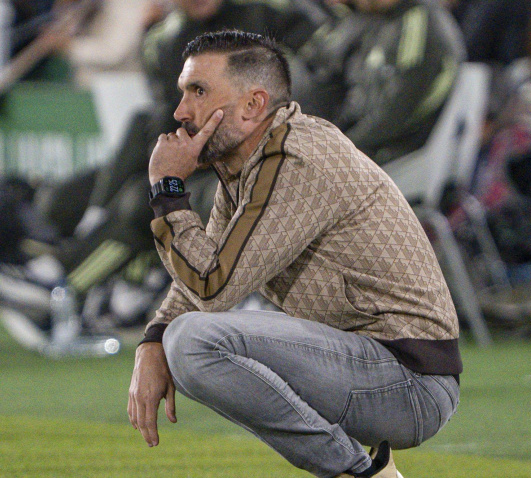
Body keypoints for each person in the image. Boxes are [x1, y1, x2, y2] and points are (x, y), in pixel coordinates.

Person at [127, 30, 461, 477]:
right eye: (184, 92)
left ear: (253, 105)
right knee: (181, 338)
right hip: (369, 365)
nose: (181, 111)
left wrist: (167, 191)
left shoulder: (296, 158)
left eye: (198, 92)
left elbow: (212, 288)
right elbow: (204, 270)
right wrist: (153, 339)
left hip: (407, 381)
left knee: (194, 342)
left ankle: (358, 473)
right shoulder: (254, 161)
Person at [0, 0, 320, 326]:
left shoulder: (276, 18)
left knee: (141, 200)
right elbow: (168, 119)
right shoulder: (165, 41)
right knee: (68, 195)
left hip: (263, 159)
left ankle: (66, 286)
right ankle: (74, 263)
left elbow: (310, 95)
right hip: (203, 158)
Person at [298, 0, 465, 165]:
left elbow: (394, 115)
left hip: (390, 157)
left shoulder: (419, 25)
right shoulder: (383, 18)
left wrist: (336, 150)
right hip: (354, 142)